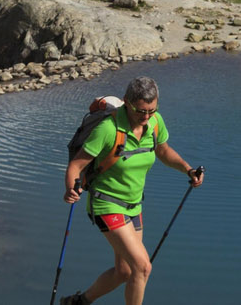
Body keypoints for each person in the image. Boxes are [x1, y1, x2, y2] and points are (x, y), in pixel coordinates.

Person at [62, 76, 202, 305]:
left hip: (134, 205)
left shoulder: (155, 122)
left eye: (151, 110)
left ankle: (78, 302)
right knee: (142, 267)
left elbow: (163, 151)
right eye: (141, 111)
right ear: (127, 102)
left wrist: (188, 170)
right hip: (105, 203)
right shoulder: (108, 129)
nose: (146, 117)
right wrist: (71, 189)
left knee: (125, 272)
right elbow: (76, 166)